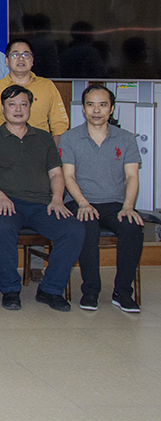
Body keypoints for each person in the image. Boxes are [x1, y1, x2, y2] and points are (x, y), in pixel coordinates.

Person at [0, 85, 83, 311]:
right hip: (5, 203)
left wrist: (57, 198)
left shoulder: (44, 138)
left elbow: (56, 174)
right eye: (12, 104)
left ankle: (50, 290)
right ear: (2, 108)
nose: (18, 109)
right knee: (1, 228)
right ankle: (10, 290)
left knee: (74, 230)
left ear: (30, 107)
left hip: (42, 205)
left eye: (23, 104)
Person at [60, 84, 144, 312]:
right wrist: (83, 203)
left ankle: (122, 292)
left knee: (132, 227)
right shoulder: (69, 138)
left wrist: (128, 206)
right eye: (91, 105)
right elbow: (68, 176)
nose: (96, 110)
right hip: (80, 201)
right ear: (83, 108)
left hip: (115, 203)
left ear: (111, 109)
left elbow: (132, 176)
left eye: (103, 105)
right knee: (87, 226)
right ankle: (90, 291)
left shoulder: (126, 138)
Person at [0, 38, 69, 143]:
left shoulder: (47, 86)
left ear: (32, 61)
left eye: (26, 55)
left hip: (40, 146)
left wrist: (53, 150)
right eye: (15, 55)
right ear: (6, 61)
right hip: (5, 147)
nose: (21, 59)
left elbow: (59, 125)